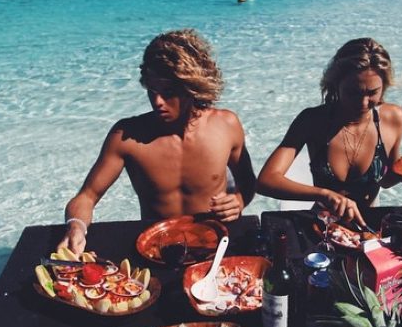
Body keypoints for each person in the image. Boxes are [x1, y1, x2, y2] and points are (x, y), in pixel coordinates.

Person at [59, 29, 256, 254]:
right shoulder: (127, 137)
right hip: (157, 249)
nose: (158, 102)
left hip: (215, 244)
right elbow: (87, 196)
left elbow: (248, 183)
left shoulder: (226, 125)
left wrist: (238, 201)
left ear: (193, 87)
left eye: (168, 91)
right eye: (151, 91)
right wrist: (76, 226)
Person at [257, 37, 402, 225]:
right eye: (353, 92)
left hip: (370, 225)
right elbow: (266, 181)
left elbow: (386, 181)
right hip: (324, 225)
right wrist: (324, 195)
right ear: (336, 84)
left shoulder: (393, 118)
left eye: (372, 93)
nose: (363, 103)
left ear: (384, 86)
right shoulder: (312, 120)